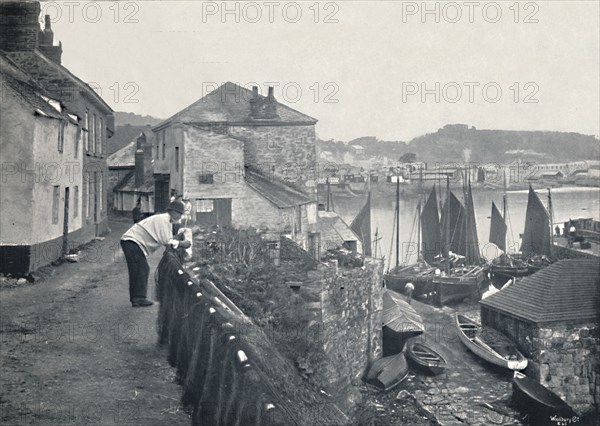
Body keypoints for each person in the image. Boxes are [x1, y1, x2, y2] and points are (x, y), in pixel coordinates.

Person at [120, 200, 191, 307]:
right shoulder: (163, 220)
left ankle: (137, 298)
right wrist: (182, 243)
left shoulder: (167, 220)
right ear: (174, 212)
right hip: (131, 241)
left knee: (140, 268)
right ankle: (138, 298)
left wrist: (177, 239)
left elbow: (168, 238)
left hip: (132, 242)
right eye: (180, 214)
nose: (180, 217)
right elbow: (167, 241)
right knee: (140, 268)